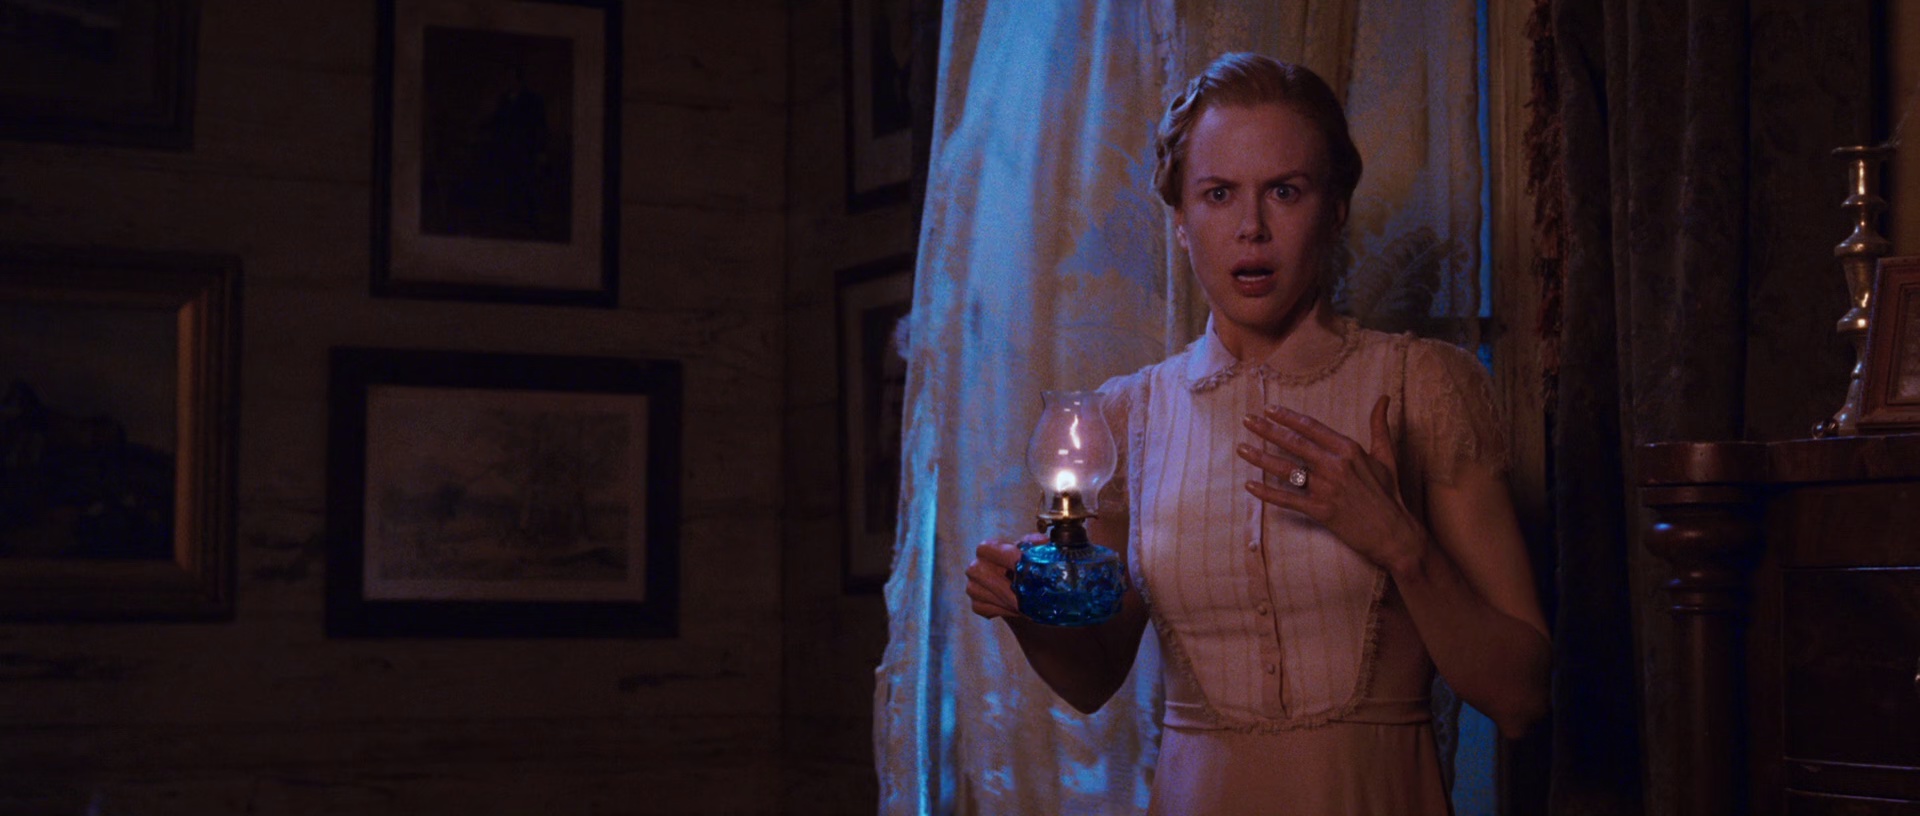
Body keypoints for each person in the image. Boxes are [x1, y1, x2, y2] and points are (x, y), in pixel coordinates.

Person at [964, 53, 1550, 815]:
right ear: (1180, 221)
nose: (1251, 228)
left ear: (1335, 208)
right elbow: (1093, 677)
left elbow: (1522, 698)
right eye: (1218, 194)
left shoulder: (1424, 387)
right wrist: (1026, 609)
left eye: (1285, 191)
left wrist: (1402, 546)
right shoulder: (1128, 415)